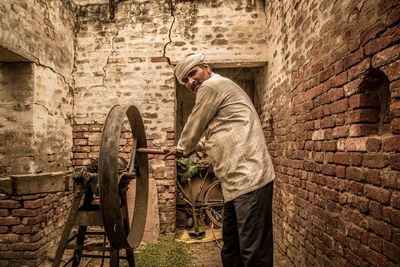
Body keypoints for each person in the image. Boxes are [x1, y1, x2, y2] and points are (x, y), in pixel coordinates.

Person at [167, 52, 276, 267]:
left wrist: (181, 148)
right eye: (185, 80)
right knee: (231, 251)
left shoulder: (212, 86)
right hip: (234, 185)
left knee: (254, 254)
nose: (191, 81)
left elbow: (195, 123)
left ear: (206, 67)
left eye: (193, 73)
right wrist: (183, 149)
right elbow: (209, 136)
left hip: (250, 179)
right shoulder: (218, 98)